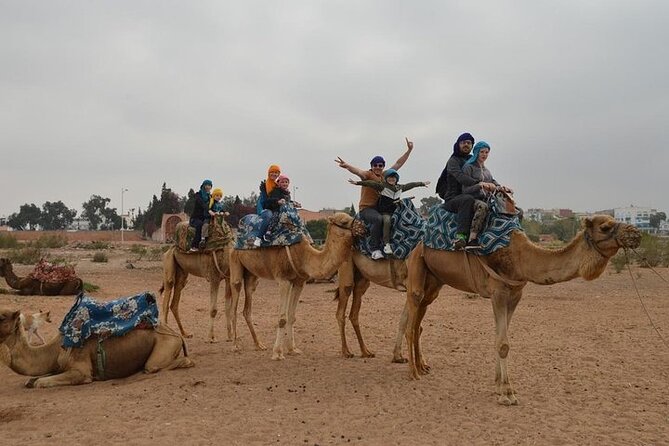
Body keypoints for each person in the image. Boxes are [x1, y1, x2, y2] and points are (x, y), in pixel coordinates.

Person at [335, 137, 414, 259]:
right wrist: (347, 166)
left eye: (381, 165)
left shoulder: (385, 176)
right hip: (367, 209)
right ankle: (375, 249)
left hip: (380, 208)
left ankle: (394, 245)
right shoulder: (368, 175)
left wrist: (409, 150)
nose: (378, 167)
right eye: (376, 165)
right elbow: (358, 172)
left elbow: (398, 164)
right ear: (372, 166)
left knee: (398, 217)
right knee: (378, 219)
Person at [435, 133, 497, 250]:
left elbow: (486, 176)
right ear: (458, 144)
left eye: (469, 143)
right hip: (454, 198)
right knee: (467, 200)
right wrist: (479, 184)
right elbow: (460, 177)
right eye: (463, 142)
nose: (466, 145)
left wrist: (497, 186)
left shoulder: (472, 160)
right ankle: (461, 237)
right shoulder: (453, 161)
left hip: (471, 194)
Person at [349, 169, 429, 257]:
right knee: (387, 221)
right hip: (385, 212)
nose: (391, 179)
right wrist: (357, 183)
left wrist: (422, 183)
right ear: (386, 178)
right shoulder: (382, 186)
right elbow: (370, 183)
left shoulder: (399, 187)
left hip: (396, 212)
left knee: (408, 219)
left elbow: (411, 185)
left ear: (396, 179)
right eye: (390, 177)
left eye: (393, 178)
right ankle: (386, 244)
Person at [253, 174, 301, 247]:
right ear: (278, 183)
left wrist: (294, 203)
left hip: (285, 211)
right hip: (275, 209)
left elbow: (288, 201)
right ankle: (266, 233)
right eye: (283, 182)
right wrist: (278, 201)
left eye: (286, 182)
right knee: (275, 216)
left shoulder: (287, 193)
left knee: (295, 217)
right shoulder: (275, 191)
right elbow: (269, 200)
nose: (285, 183)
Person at [189, 179, 213, 252]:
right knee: (200, 225)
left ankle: (208, 245)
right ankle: (194, 246)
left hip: (205, 218)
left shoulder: (211, 197)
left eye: (210, 185)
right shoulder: (198, 195)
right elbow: (202, 204)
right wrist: (209, 210)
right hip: (196, 218)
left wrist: (221, 211)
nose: (208, 187)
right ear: (203, 186)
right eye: (207, 185)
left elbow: (216, 205)